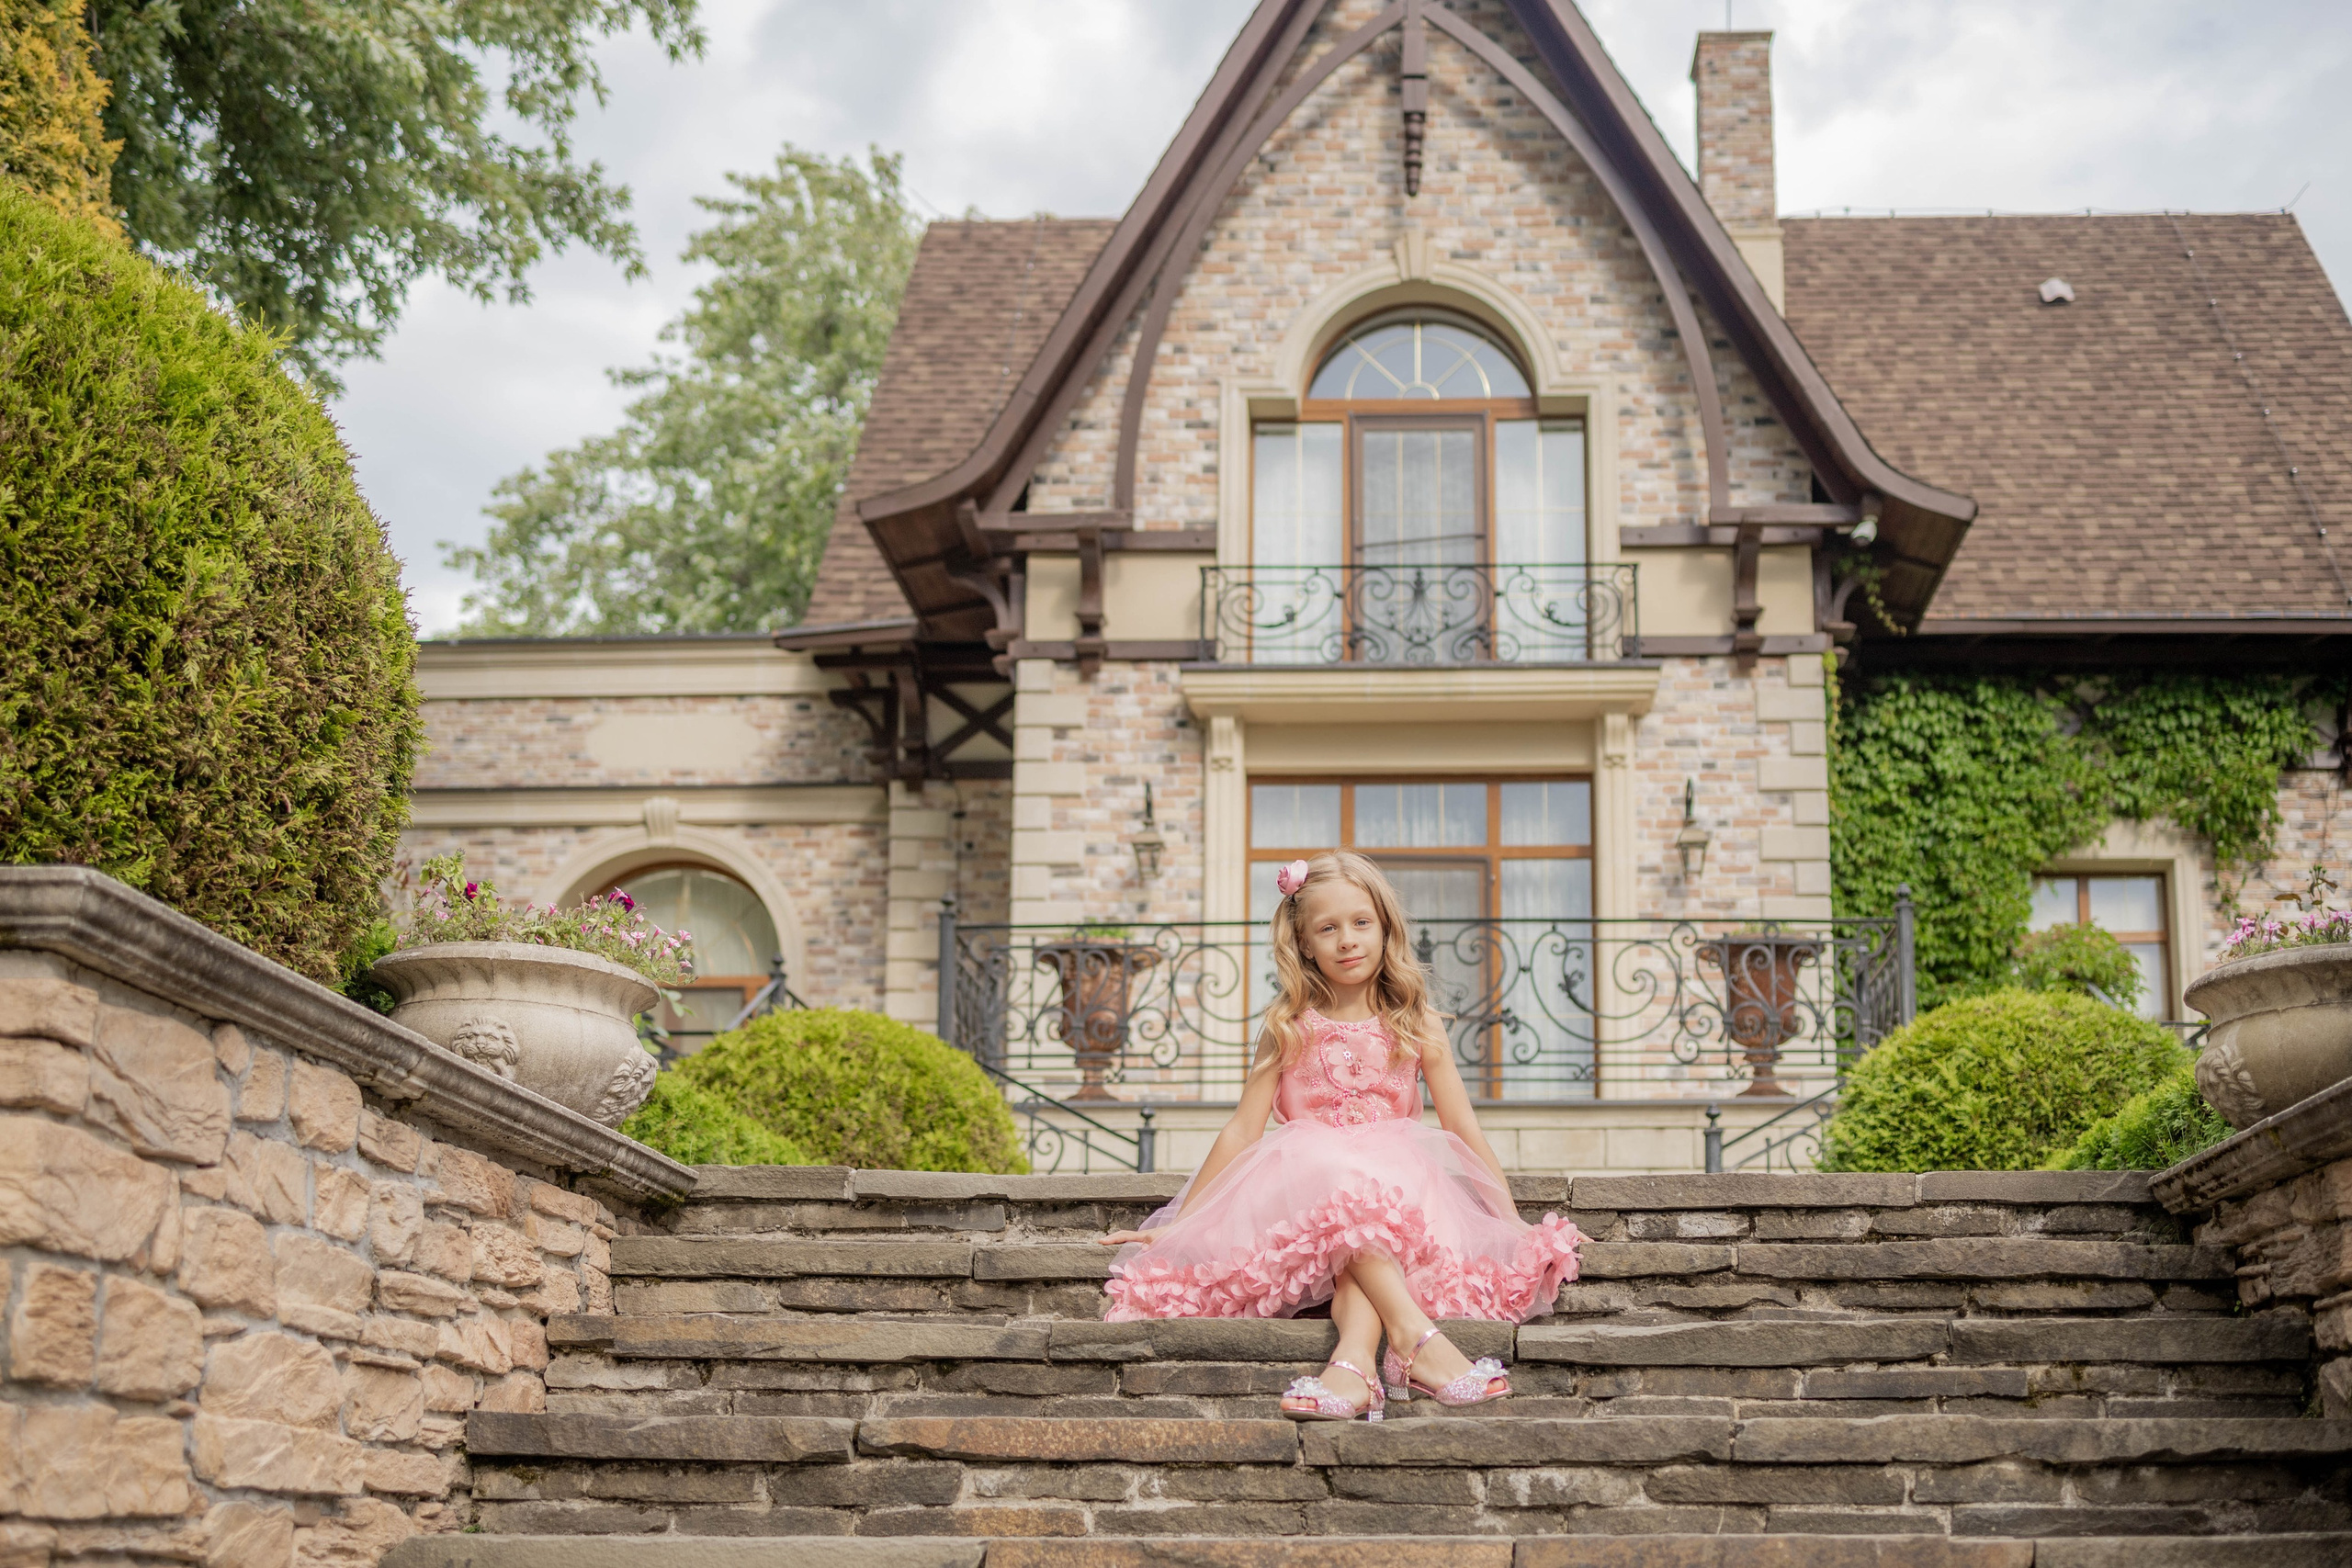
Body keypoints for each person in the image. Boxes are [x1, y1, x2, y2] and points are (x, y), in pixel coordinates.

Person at [1097, 850, 1581, 1422]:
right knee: (1336, 1175)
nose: (1348, 941)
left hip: (1402, 1188)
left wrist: (1509, 1221)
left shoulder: (1415, 1020)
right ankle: (1416, 1343)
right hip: (1302, 1190)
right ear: (1304, 943)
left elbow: (1460, 1126)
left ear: (1385, 928)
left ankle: (1353, 1366)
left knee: (1365, 1203)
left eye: (1361, 923)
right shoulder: (1287, 1026)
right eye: (1328, 929)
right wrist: (1182, 1224)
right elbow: (1243, 1129)